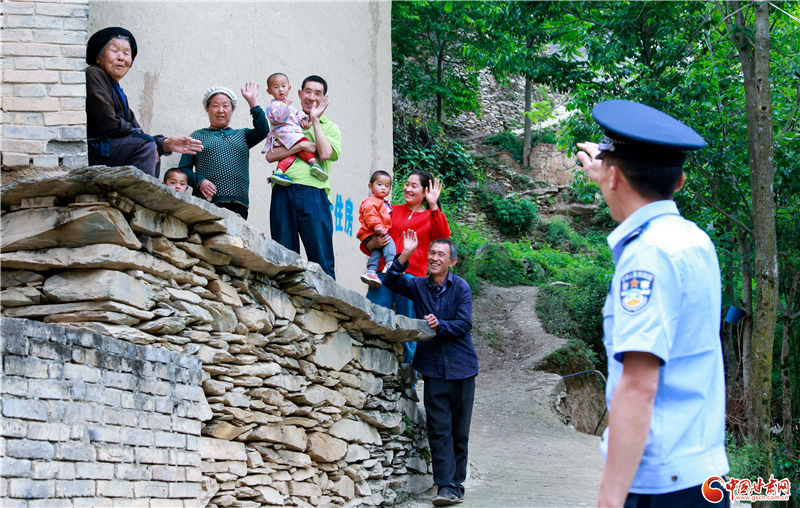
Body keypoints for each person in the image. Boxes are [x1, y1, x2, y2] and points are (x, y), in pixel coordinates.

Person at [575, 100, 729, 508]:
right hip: (703, 477)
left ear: (614, 177)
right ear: (679, 181)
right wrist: (612, 175)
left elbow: (639, 386)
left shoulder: (647, 255)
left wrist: (610, 499)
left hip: (660, 486)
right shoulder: (693, 240)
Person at [383, 231, 477, 507]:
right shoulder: (418, 286)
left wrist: (440, 325)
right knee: (438, 430)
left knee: (459, 431)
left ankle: (456, 485)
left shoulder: (461, 288)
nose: (435, 258)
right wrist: (406, 253)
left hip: (462, 368)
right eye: (432, 253)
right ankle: (445, 487)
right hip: (433, 369)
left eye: (441, 255)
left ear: (452, 262)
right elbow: (390, 280)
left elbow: (464, 324)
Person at [85, 27, 203, 177]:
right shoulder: (94, 73)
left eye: (126, 53)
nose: (121, 58)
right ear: (98, 57)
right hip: (97, 150)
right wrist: (151, 142)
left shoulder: (116, 88)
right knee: (146, 145)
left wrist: (163, 144)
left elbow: (135, 128)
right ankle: (142, 191)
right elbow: (107, 122)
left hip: (109, 150)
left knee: (152, 148)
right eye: (114, 51)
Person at [362, 170, 450, 362]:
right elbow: (368, 237)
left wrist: (433, 205)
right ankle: (366, 364)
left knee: (408, 325)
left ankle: (409, 371)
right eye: (406, 184)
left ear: (425, 191)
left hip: (411, 278)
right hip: (383, 274)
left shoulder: (431, 216)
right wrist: (372, 243)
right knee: (372, 316)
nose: (408, 189)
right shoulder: (389, 209)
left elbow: (443, 237)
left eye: (414, 186)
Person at [265, 75, 341, 279]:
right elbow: (270, 156)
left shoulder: (330, 127)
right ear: (299, 94)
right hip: (283, 188)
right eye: (308, 91)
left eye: (317, 93)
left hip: (314, 192)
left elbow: (325, 153)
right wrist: (302, 146)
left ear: (324, 98)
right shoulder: (285, 119)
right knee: (283, 253)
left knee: (320, 253)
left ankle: (327, 297)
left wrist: (315, 120)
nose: (312, 97)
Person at [177, 84, 269, 220]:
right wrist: (200, 182)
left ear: (232, 109)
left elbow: (263, 130)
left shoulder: (242, 135)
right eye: (215, 106)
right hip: (206, 202)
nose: (220, 110)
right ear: (207, 109)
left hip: (238, 203)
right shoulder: (197, 136)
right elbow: (183, 169)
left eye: (225, 106)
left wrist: (253, 102)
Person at [261, 73, 326, 186]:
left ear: (289, 88)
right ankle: (313, 163)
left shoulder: (288, 105)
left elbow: (296, 114)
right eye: (276, 87)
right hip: (284, 134)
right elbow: (280, 117)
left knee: (292, 153)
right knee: (303, 141)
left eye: (283, 86)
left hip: (288, 135)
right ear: (269, 91)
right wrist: (285, 105)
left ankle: (279, 171)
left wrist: (303, 119)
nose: (281, 90)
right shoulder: (273, 106)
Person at [357, 170, 396, 287]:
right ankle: (390, 264)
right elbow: (369, 214)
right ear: (370, 186)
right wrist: (376, 225)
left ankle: (371, 272)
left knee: (377, 252)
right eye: (379, 184)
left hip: (371, 233)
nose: (383, 188)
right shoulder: (371, 201)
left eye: (387, 186)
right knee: (388, 241)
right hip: (372, 231)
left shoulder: (381, 202)